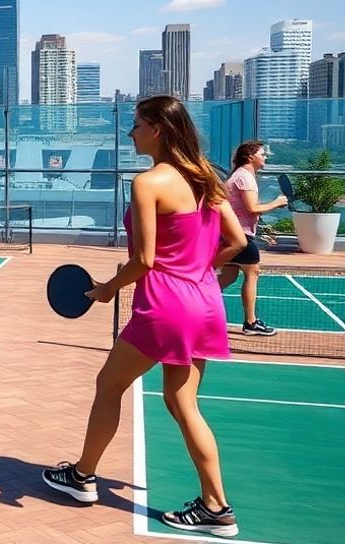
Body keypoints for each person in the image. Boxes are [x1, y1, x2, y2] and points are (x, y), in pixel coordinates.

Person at [42, 96, 246, 539]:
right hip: (205, 302)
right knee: (183, 403)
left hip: (165, 307)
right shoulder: (208, 177)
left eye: (136, 125)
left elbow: (146, 259)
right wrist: (199, 270)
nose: (130, 132)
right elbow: (236, 242)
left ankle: (81, 477)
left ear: (156, 129)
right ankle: (217, 506)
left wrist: (106, 290)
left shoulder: (148, 182)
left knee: (108, 385)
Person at [219, 140, 287, 336]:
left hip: (230, 232)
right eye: (262, 154)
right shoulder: (245, 178)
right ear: (250, 157)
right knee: (253, 272)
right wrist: (276, 202)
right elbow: (252, 208)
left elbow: (246, 209)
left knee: (229, 276)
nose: (265, 157)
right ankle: (251, 322)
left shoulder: (241, 176)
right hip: (238, 235)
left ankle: (194, 302)